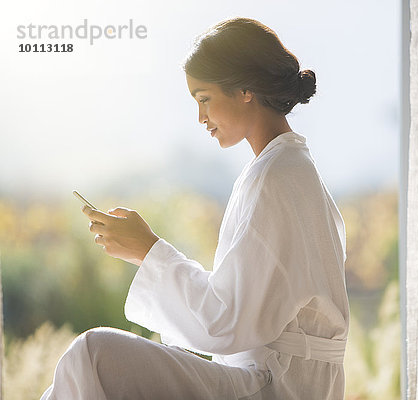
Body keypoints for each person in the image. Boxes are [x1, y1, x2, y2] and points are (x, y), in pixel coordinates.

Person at [41, 16, 349, 400]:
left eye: (204, 99)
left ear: (245, 90)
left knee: (93, 354)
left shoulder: (278, 177)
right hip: (276, 377)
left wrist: (148, 252)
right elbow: (237, 309)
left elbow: (226, 320)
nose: (200, 118)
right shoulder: (285, 169)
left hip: (277, 386)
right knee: (90, 361)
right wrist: (147, 254)